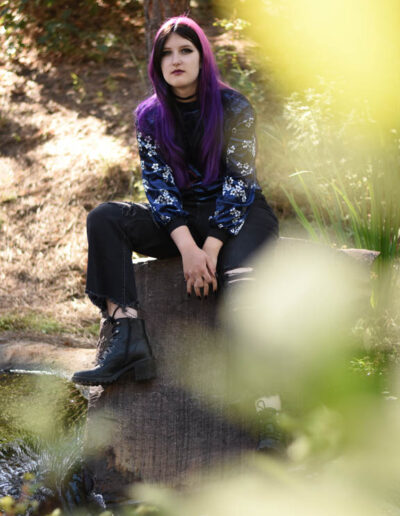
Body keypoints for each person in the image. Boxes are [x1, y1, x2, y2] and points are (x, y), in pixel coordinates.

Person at [71, 15, 279, 387]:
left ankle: (265, 404)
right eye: (166, 53)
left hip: (240, 215)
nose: (176, 60)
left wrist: (209, 251)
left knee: (241, 280)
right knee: (105, 218)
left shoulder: (234, 107)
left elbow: (239, 181)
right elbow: (159, 188)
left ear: (203, 57)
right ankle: (128, 342)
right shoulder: (149, 116)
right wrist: (187, 249)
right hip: (180, 218)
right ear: (157, 63)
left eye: (186, 50)